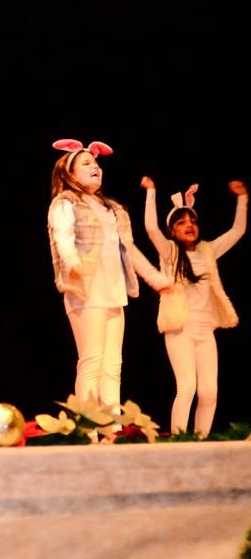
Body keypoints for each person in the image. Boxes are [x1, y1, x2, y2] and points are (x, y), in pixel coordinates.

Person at [46, 139, 171, 410]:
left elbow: (129, 249)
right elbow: (62, 236)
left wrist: (157, 280)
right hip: (85, 289)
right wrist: (72, 262)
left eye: (96, 163)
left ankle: (112, 426)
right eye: (86, 163)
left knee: (113, 365)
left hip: (113, 290)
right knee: (91, 360)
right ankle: (88, 426)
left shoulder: (112, 209)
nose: (96, 167)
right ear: (69, 173)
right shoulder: (65, 203)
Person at [141, 177, 247, 434]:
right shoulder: (169, 253)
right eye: (181, 222)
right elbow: (151, 229)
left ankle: (201, 441)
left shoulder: (208, 251)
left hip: (205, 329)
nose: (189, 225)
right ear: (172, 231)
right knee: (187, 387)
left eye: (192, 221)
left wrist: (243, 199)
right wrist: (151, 193)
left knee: (209, 392)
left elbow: (237, 231)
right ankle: (179, 442)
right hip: (181, 329)